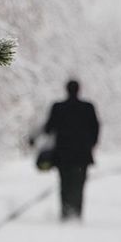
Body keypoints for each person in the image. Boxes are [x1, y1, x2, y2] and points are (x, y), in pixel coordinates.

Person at [35, 80, 100, 221]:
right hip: (82, 154)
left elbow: (48, 128)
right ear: (79, 90)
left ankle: (66, 212)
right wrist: (90, 144)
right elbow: (95, 128)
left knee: (65, 183)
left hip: (63, 154)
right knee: (79, 184)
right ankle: (77, 213)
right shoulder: (88, 107)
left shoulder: (58, 107)